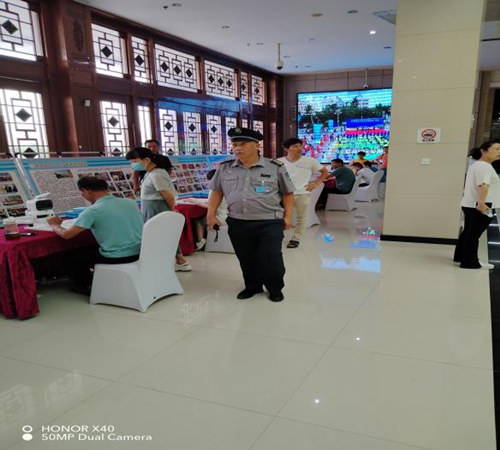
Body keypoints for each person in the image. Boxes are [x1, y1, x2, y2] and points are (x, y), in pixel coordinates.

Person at [207, 127, 295, 302]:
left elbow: (288, 193)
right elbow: (216, 192)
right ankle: (252, 286)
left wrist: (288, 216)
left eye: (243, 144)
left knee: (271, 258)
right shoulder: (225, 168)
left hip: (269, 221)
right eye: (235, 145)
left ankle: (275, 288)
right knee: (246, 258)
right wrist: (211, 215)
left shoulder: (274, 167)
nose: (238, 148)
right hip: (238, 222)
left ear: (256, 145)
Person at [46, 176, 143, 293]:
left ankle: (85, 286)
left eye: (82, 193)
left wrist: (54, 225)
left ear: (87, 191)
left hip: (117, 256)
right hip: (140, 251)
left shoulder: (93, 211)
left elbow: (67, 234)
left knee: (73, 256)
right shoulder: (130, 203)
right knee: (89, 248)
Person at [126, 147, 191, 272]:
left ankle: (179, 260)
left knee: (161, 234)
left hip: (156, 208)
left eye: (134, 161)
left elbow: (168, 196)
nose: (132, 164)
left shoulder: (157, 174)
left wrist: (171, 211)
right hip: (151, 208)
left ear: (146, 160)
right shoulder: (150, 173)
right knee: (158, 234)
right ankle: (170, 260)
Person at [454, 141, 500, 269]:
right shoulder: (485, 166)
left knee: (468, 232)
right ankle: (470, 262)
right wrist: (482, 203)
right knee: (474, 234)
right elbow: (483, 185)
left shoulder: (476, 165)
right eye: (496, 149)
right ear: (483, 151)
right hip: (482, 205)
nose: (499, 152)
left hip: (470, 203)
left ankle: (460, 257)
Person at [278, 137, 329, 248]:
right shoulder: (279, 162)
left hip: (302, 193)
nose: (299, 148)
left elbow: (325, 172)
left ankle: (296, 239)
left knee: (301, 217)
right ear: (287, 148)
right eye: (295, 146)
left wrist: (315, 183)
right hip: (284, 194)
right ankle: (278, 235)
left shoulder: (310, 161)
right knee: (279, 216)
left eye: (300, 146)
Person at [184, 169, 229, 251]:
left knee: (199, 221)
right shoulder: (225, 188)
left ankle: (201, 241)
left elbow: (210, 206)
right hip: (224, 215)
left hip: (219, 217)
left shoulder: (216, 190)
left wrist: (195, 201)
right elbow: (211, 202)